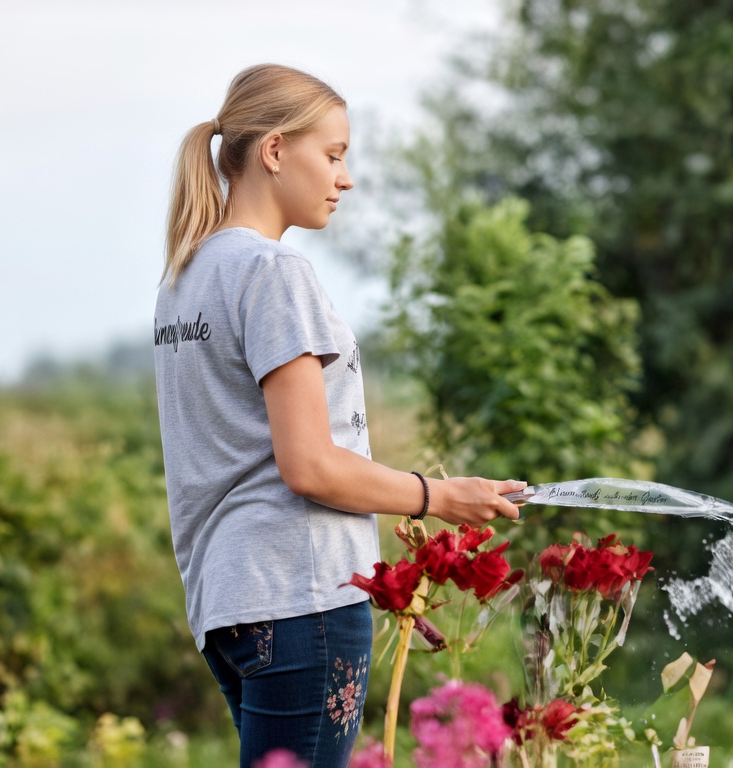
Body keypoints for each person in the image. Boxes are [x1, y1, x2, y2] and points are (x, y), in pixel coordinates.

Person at [153, 63, 524, 768]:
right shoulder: (273, 274)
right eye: (332, 155)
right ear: (272, 151)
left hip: (231, 606)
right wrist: (440, 497)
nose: (344, 178)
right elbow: (309, 465)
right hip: (300, 603)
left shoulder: (184, 279)